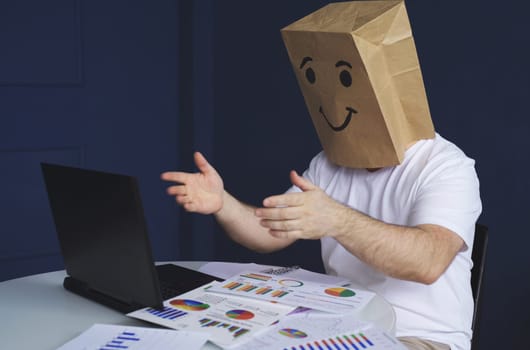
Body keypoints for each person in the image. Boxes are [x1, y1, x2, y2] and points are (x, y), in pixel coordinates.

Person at [162, 2, 482, 349]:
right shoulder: (331, 163)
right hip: (338, 326)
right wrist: (222, 203)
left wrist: (337, 220)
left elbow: (428, 262)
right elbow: (269, 232)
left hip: (419, 338)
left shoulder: (446, 166)